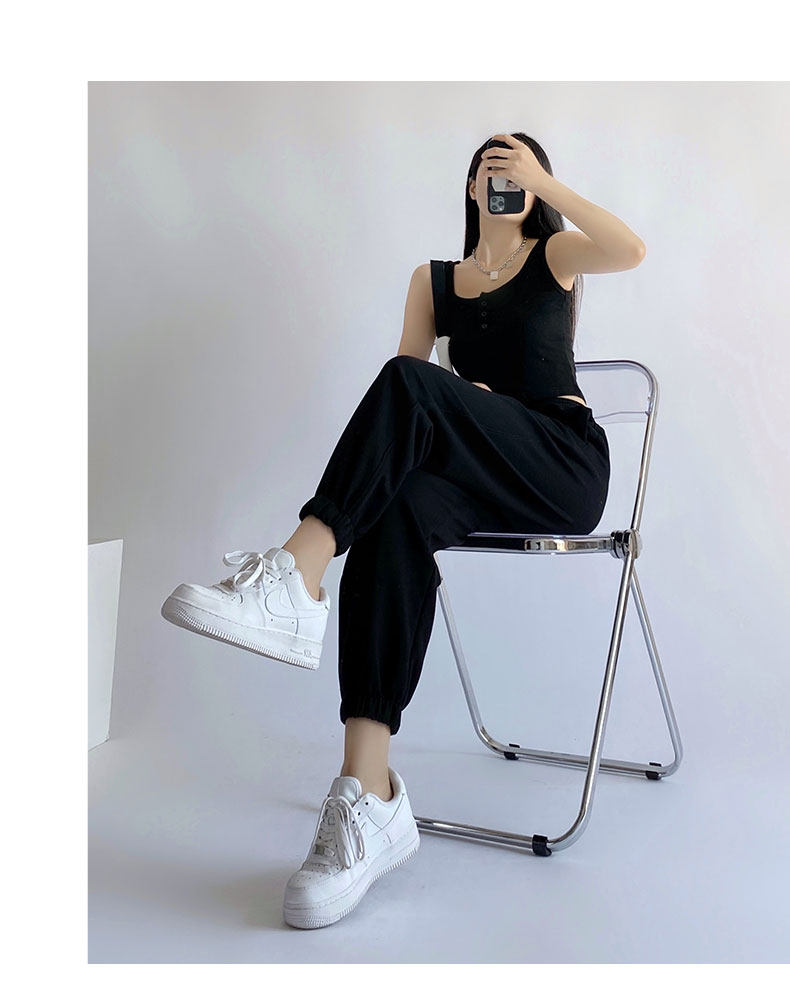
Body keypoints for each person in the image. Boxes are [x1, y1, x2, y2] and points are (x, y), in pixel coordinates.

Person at [161, 132, 646, 929]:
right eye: (489, 165)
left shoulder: (555, 257)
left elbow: (631, 249)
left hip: (560, 465)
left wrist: (547, 189)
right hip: (482, 473)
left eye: (518, 166)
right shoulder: (434, 281)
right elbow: (404, 413)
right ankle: (368, 793)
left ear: (536, 186)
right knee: (394, 504)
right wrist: (461, 399)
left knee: (411, 386)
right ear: (469, 186)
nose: (502, 173)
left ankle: (298, 574)